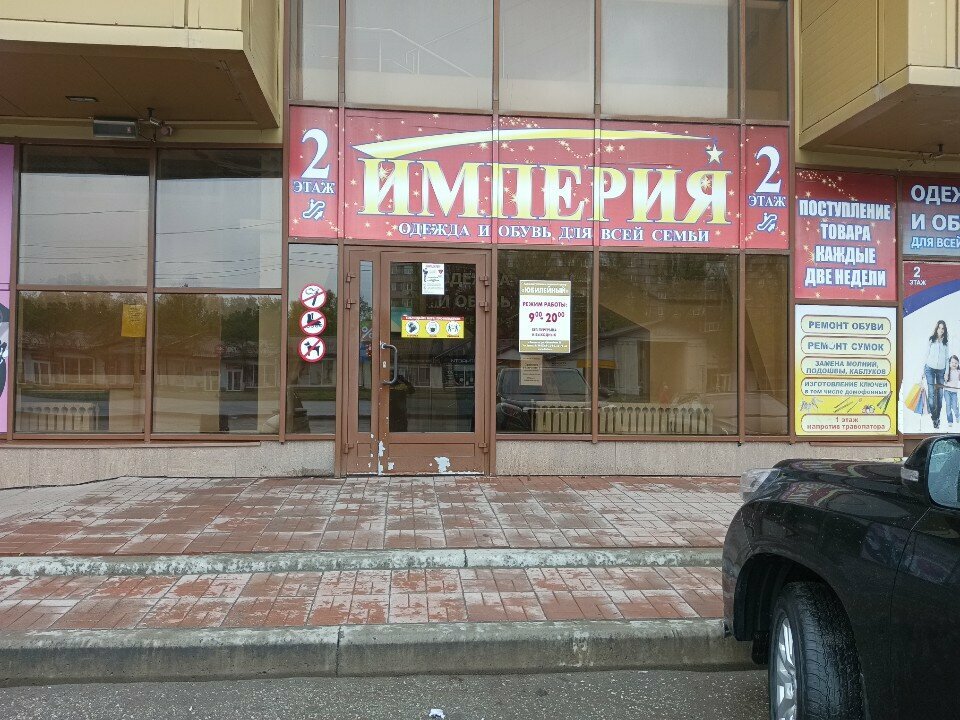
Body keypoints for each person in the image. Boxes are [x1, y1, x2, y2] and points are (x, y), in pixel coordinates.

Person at [924, 320, 949, 429]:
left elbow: (947, 358)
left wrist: (946, 372)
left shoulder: (946, 342)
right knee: (931, 394)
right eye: (939, 328)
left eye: (943, 328)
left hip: (941, 371)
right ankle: (934, 418)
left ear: (944, 330)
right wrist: (922, 372)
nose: (941, 330)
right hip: (929, 369)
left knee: (940, 395)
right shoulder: (931, 339)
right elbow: (926, 355)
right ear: (936, 328)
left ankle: (937, 417)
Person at [944, 355, 960, 429]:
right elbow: (945, 379)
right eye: (952, 362)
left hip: (954, 393)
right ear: (949, 363)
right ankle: (950, 421)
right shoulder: (947, 371)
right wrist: (947, 371)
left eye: (956, 363)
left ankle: (957, 415)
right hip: (947, 391)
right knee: (948, 406)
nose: (954, 364)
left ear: (958, 364)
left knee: (954, 406)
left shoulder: (958, 372)